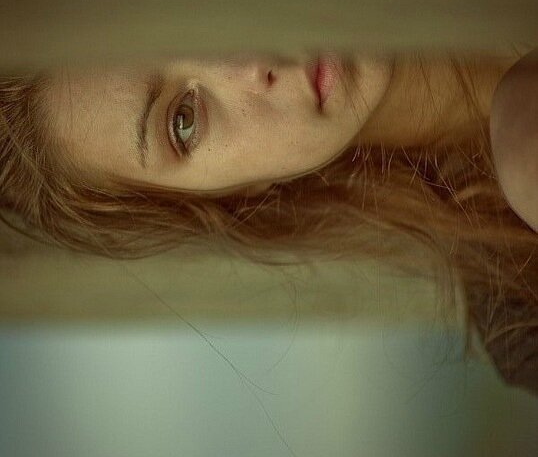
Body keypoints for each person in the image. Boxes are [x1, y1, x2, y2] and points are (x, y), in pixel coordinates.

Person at [1, 50, 537, 394]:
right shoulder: (524, 316)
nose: (252, 63)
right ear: (232, 197)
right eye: (183, 120)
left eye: (187, 20)